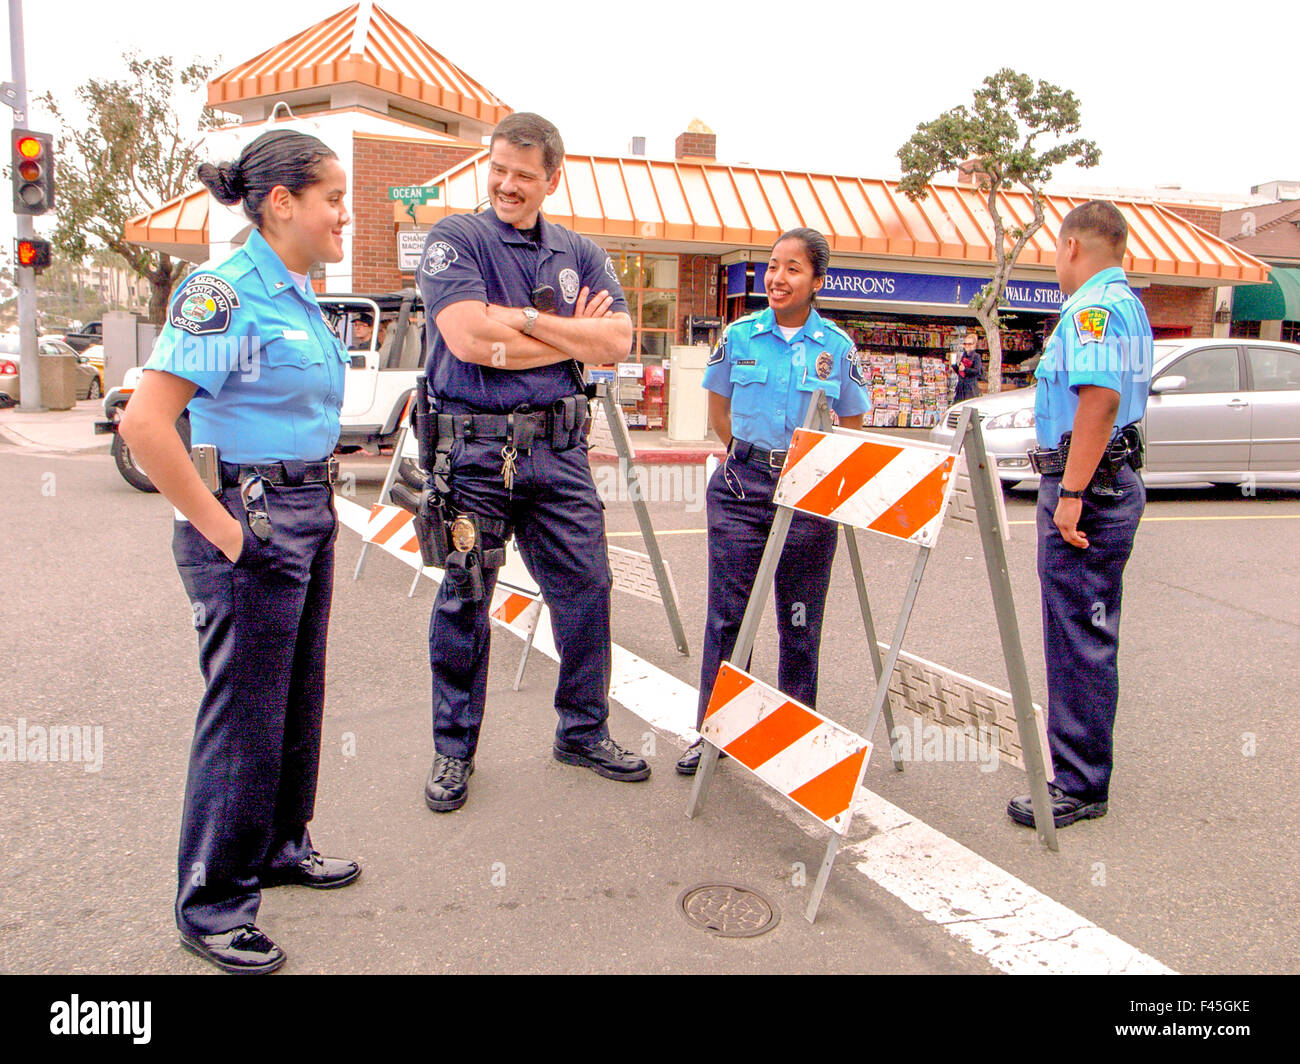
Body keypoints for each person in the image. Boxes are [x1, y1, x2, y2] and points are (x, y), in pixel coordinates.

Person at [119, 130, 360, 974]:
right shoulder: (225, 292)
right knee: (244, 719)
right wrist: (227, 535)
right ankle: (213, 905)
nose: (346, 214)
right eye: (334, 197)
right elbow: (145, 426)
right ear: (282, 202)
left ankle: (281, 846)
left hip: (307, 509)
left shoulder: (297, 294)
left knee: (295, 699)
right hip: (250, 518)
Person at [415, 112, 649, 813]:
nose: (508, 185)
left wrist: (520, 320)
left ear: (553, 177)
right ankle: (453, 751)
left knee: (588, 589)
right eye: (499, 170)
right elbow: (465, 339)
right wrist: (574, 338)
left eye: (524, 174)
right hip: (475, 454)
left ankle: (582, 730)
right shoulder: (456, 239)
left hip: (558, 451)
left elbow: (618, 342)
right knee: (465, 597)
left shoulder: (579, 251)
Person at [677, 228, 870, 774]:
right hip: (742, 490)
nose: (778, 278)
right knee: (728, 620)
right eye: (772, 266)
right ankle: (713, 734)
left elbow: (852, 423)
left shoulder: (836, 347)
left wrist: (814, 474)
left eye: (793, 269)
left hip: (808, 496)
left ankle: (798, 738)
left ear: (817, 281)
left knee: (800, 621)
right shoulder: (739, 337)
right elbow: (720, 412)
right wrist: (748, 458)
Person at [1006, 200, 1151, 829]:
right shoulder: (1127, 305)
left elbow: (1099, 400)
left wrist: (1070, 492)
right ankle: (1079, 770)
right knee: (1082, 632)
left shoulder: (1091, 310)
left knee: (1078, 638)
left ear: (1070, 247)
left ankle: (1081, 782)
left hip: (1089, 487)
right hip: (1105, 479)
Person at [953, 331, 983, 403]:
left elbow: (977, 371)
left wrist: (965, 369)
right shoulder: (964, 355)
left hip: (970, 388)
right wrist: (954, 366)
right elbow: (961, 372)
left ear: (974, 344)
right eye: (965, 344)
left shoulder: (976, 356)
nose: (967, 346)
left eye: (969, 344)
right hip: (961, 387)